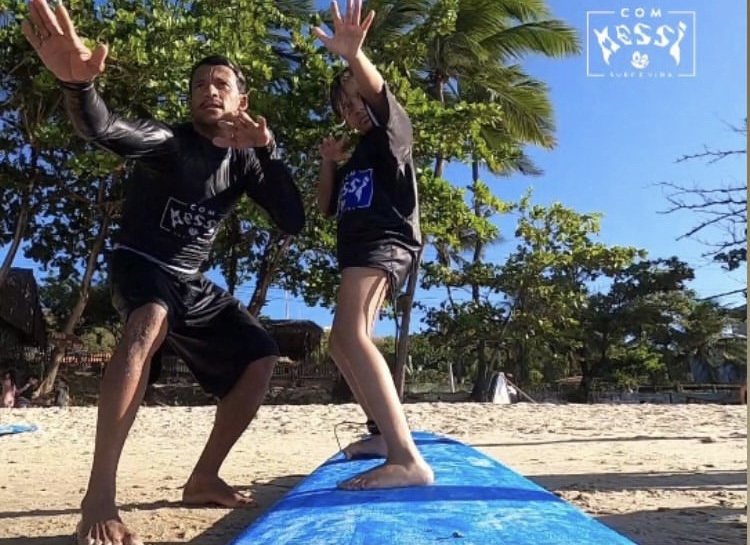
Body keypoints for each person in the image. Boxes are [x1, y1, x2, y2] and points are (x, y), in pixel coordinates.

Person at [22, 1, 304, 544]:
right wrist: (79, 88)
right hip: (141, 265)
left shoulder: (246, 162)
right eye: (200, 82)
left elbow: (290, 219)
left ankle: (203, 477)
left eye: (222, 82)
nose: (209, 89)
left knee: (261, 354)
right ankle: (99, 495)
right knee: (148, 318)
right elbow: (104, 128)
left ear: (241, 100)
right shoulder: (172, 144)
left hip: (190, 283)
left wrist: (267, 151)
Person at [313, 0, 434, 490]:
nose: (352, 108)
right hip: (359, 248)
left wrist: (352, 58)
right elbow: (325, 208)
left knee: (352, 335)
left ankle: (406, 458)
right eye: (343, 106)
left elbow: (377, 92)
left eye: (354, 97)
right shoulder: (356, 154)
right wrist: (327, 161)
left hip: (386, 242)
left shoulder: (391, 132)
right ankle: (383, 436)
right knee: (341, 342)